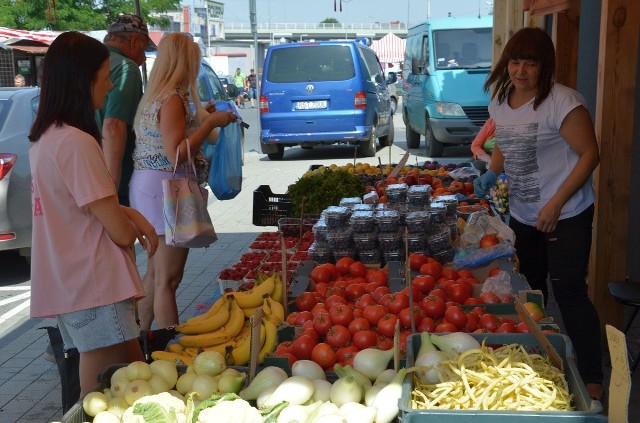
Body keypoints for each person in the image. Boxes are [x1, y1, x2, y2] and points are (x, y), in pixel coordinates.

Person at [473, 27, 603, 399]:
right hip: (524, 213)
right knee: (530, 291)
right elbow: (505, 142)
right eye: (515, 61)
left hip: (567, 213)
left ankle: (593, 379)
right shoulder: (500, 98)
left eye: (531, 64)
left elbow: (591, 154)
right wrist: (492, 172)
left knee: (570, 292)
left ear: (545, 67)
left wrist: (556, 203)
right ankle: (541, 362)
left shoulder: (563, 102)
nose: (521, 71)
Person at [28, 31, 158, 396]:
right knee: (101, 390)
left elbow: (83, 208)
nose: (111, 83)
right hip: (94, 284)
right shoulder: (76, 142)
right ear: (81, 81)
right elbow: (118, 232)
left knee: (136, 374)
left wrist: (128, 213)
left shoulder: (45, 138)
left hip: (74, 282)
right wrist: (131, 222)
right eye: (104, 76)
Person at [130, 32, 237, 331]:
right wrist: (211, 124)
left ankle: (141, 340)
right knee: (168, 279)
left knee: (155, 274)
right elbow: (177, 152)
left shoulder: (157, 95)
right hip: (168, 190)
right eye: (194, 61)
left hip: (150, 187)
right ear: (184, 63)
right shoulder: (172, 99)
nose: (196, 67)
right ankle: (170, 348)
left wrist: (201, 120)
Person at [96, 14, 151, 206]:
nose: (144, 58)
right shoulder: (126, 68)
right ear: (134, 40)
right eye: (144, 49)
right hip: (110, 178)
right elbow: (114, 126)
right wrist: (111, 187)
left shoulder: (85, 62)